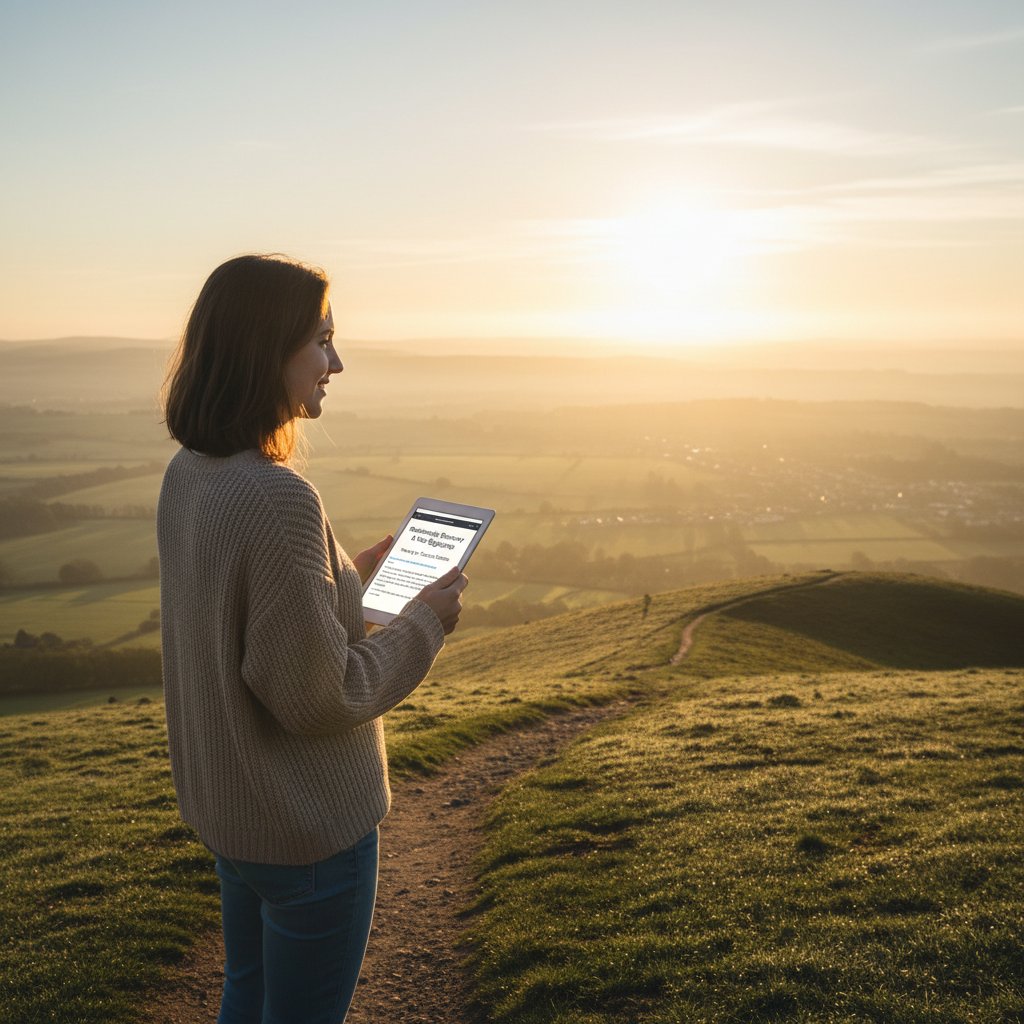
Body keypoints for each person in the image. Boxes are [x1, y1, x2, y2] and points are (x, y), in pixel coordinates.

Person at [157, 253, 467, 1024]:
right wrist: (426, 622)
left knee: (247, 996)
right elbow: (321, 697)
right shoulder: (275, 495)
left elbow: (251, 624)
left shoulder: (192, 472)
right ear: (267, 352)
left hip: (236, 815)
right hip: (307, 832)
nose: (336, 362)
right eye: (321, 341)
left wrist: (350, 579)